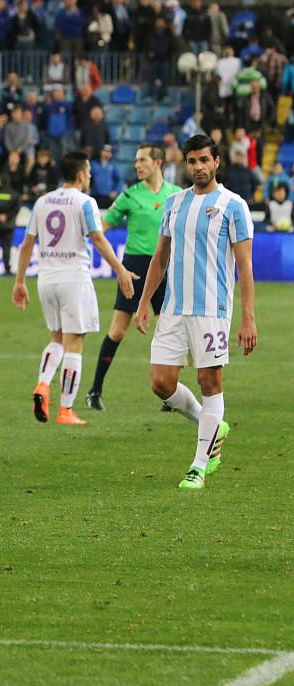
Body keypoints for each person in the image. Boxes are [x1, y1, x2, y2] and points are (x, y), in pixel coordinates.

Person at [135, 134, 257, 490]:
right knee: (161, 383)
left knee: (209, 382)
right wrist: (144, 302)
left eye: (204, 160)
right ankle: (211, 424)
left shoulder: (233, 205)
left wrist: (248, 316)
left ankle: (199, 465)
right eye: (192, 161)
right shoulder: (174, 203)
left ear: (216, 162)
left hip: (211, 310)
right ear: (185, 164)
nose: (198, 167)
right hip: (173, 308)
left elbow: (245, 267)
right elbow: (160, 258)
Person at [12, 151, 137, 426]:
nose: (90, 176)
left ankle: (43, 385)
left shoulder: (42, 202)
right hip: (74, 279)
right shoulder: (85, 202)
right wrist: (120, 270)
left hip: (46, 279)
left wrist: (20, 281)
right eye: (89, 172)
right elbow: (97, 238)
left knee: (57, 339)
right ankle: (66, 410)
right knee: (75, 344)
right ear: (81, 175)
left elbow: (27, 244)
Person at [86, 144, 181, 411]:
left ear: (158, 163)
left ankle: (169, 396)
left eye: (142, 160)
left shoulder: (176, 195)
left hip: (165, 267)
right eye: (136, 161)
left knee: (168, 332)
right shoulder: (129, 196)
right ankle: (94, 391)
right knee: (117, 330)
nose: (137, 165)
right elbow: (99, 230)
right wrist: (118, 267)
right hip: (135, 269)